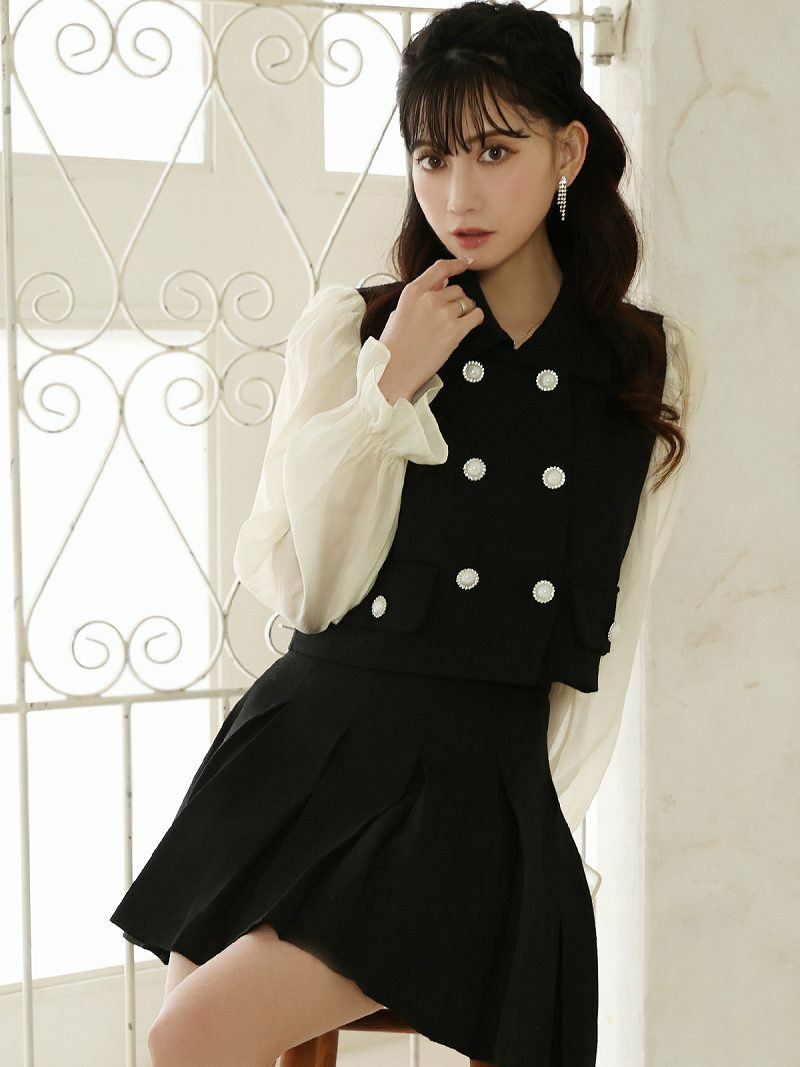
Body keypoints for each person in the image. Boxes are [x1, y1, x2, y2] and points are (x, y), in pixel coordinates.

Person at [109, 3, 706, 1065]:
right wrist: (387, 386)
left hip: (471, 779)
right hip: (304, 741)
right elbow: (305, 585)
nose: (458, 193)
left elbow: (614, 614)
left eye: (495, 150)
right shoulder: (357, 327)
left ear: (567, 151)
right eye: (432, 157)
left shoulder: (645, 364)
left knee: (194, 1031)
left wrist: (542, 817)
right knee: (188, 1036)